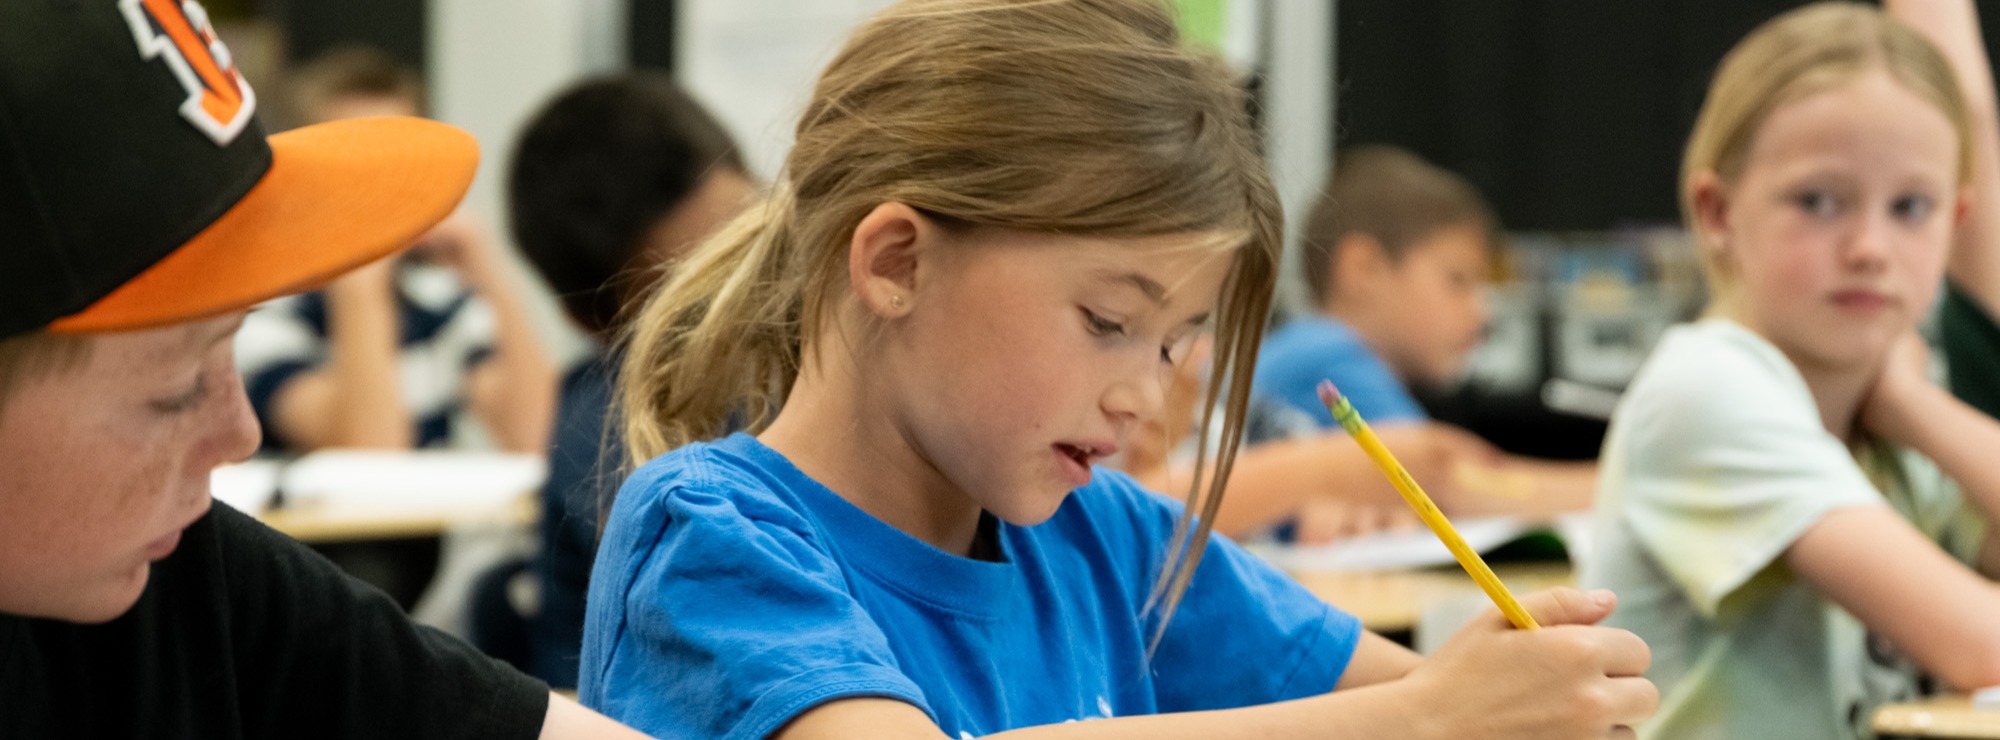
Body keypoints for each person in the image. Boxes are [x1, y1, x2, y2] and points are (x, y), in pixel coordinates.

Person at [582, 1, 1656, 738]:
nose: (1145, 392)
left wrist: (1518, 696)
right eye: (1106, 319)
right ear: (896, 261)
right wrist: (1427, 714)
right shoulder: (712, 534)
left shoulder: (1106, 535)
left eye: (1177, 342)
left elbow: (1423, 701)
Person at [0, 2, 644, 738]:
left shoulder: (168, 575)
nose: (237, 431)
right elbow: (374, 452)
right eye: (173, 390)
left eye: (229, 344)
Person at [1582, 3, 2000, 737]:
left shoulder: (1887, 405)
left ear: (1955, 221)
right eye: (1819, 201)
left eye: (1911, 206)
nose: (1870, 246)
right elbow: (1984, 647)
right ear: (1717, 212)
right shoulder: (1709, 388)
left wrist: (1914, 409)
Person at [500, 71, 754, 687]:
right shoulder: (610, 429)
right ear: (591, 322)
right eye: (692, 303)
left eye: (756, 243)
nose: (754, 303)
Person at [234, 46, 557, 454]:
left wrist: (487, 269)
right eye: (351, 166)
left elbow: (540, 438)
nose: (380, 188)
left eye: (398, 162)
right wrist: (360, 281)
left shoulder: (436, 302)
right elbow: (372, 454)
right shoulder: (263, 317)